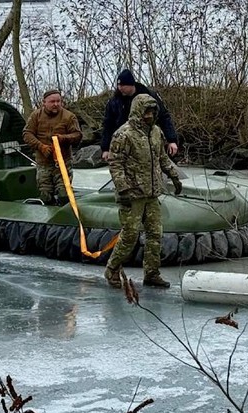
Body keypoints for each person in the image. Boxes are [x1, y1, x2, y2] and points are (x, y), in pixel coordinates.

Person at [104, 94, 183, 289]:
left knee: (155, 234)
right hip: (132, 194)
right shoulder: (124, 134)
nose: (149, 115)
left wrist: (174, 176)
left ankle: (152, 273)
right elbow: (115, 163)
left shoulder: (156, 132)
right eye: (146, 111)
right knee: (130, 236)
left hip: (152, 193)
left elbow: (162, 158)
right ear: (138, 111)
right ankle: (112, 269)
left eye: (153, 111)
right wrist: (123, 188)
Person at [101, 69, 178, 161]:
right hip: (123, 143)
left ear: (131, 85)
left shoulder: (149, 96)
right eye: (118, 85)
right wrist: (105, 148)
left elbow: (164, 117)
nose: (120, 88)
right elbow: (108, 125)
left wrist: (171, 140)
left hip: (147, 141)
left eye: (123, 85)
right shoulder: (114, 101)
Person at [23, 89, 82, 205]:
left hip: (63, 162)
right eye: (52, 102)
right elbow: (27, 134)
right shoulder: (36, 116)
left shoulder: (69, 117)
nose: (56, 104)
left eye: (58, 101)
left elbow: (77, 135)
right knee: (45, 195)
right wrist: (40, 146)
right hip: (43, 162)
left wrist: (63, 138)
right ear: (44, 103)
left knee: (64, 194)